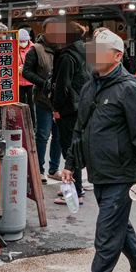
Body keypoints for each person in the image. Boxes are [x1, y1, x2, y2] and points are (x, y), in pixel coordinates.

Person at [60, 29, 136, 272]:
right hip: (98, 171)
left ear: (116, 56)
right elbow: (80, 128)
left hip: (122, 173)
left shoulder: (129, 88)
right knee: (118, 227)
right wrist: (70, 164)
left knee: (106, 232)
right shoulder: (91, 84)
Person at [50, 18, 89, 200]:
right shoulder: (86, 50)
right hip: (84, 104)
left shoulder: (67, 55)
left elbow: (61, 86)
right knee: (76, 146)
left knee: (70, 149)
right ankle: (71, 185)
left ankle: (76, 191)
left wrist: (56, 107)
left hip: (69, 107)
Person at [23, 21, 61, 181]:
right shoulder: (36, 50)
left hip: (61, 100)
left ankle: (54, 169)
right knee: (43, 134)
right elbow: (26, 72)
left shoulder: (63, 49)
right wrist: (43, 83)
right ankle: (38, 169)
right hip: (43, 99)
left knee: (59, 135)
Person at [17, 28, 35, 109]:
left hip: (31, 82)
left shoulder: (34, 48)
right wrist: (16, 68)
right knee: (20, 103)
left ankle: (33, 121)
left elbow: (37, 64)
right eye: (20, 41)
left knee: (32, 104)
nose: (23, 43)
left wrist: (27, 68)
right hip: (19, 82)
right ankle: (22, 121)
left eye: (24, 41)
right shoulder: (14, 49)